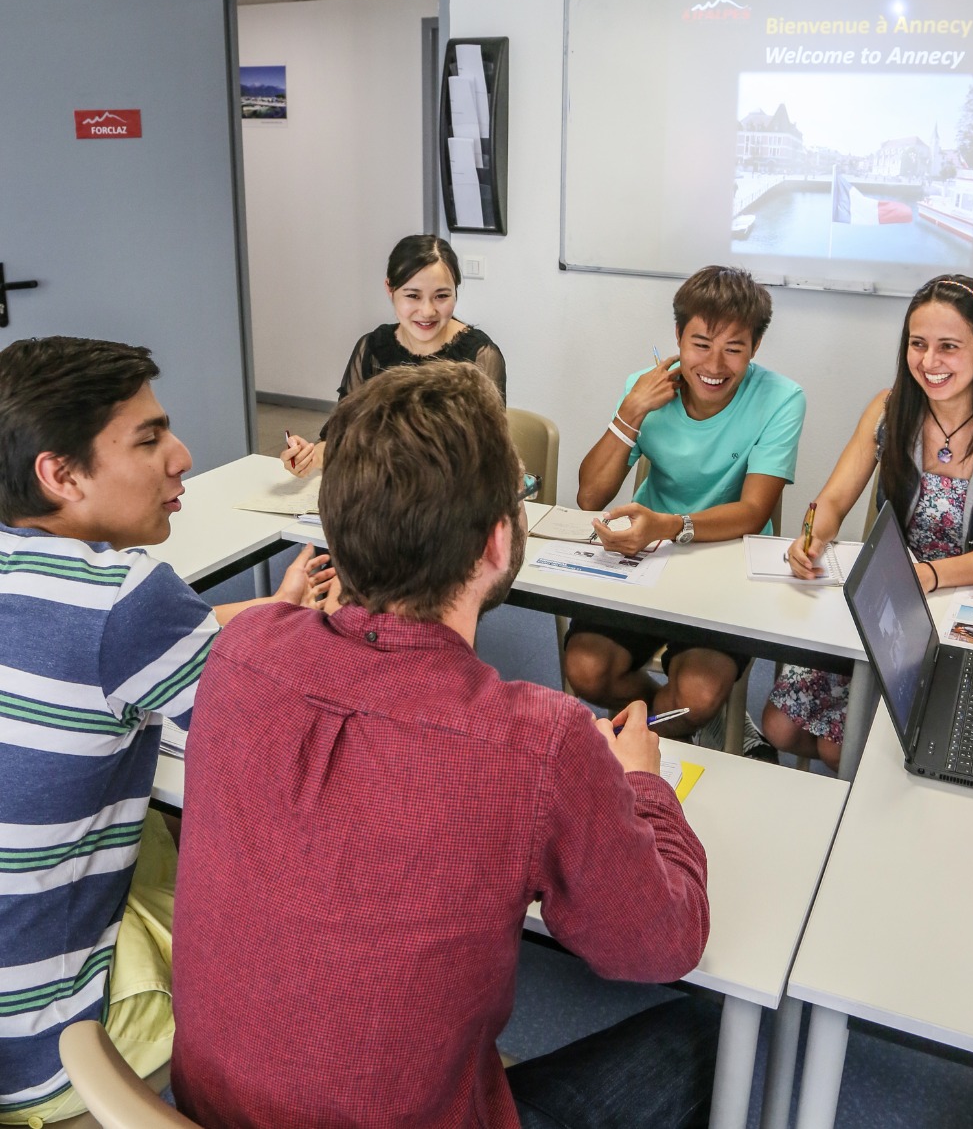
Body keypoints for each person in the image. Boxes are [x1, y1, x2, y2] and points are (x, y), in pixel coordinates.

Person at [171, 362, 722, 1129]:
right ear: (498, 540)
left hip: (199, 1110)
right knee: (704, 1038)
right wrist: (642, 788)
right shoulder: (539, 742)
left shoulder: (242, 650)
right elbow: (662, 943)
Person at [0, 336, 329, 1125]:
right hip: (48, 1046)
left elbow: (104, 651)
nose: (182, 457)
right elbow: (293, 763)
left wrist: (260, 614)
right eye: (148, 440)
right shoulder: (125, 597)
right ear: (60, 475)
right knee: (317, 994)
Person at [763, 274, 973, 772]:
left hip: (958, 609)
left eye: (949, 347)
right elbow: (831, 500)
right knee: (778, 728)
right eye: (918, 344)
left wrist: (927, 575)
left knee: (842, 749)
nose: (929, 361)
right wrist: (813, 534)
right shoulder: (888, 409)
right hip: (888, 602)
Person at [563, 265, 806, 740]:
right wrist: (631, 410)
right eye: (700, 344)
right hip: (646, 558)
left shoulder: (781, 398)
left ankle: (663, 730)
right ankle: (675, 725)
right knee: (586, 669)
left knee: (695, 695)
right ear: (677, 337)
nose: (714, 365)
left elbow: (754, 512)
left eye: (734, 348)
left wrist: (668, 526)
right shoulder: (645, 386)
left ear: (755, 347)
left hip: (727, 564)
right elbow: (590, 496)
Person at [280, 234, 506, 477]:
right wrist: (310, 457)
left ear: (455, 292)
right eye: (412, 296)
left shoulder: (479, 356)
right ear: (390, 289)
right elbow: (343, 438)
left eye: (442, 296)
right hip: (383, 492)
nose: (427, 311)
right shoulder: (373, 349)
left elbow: (490, 457)